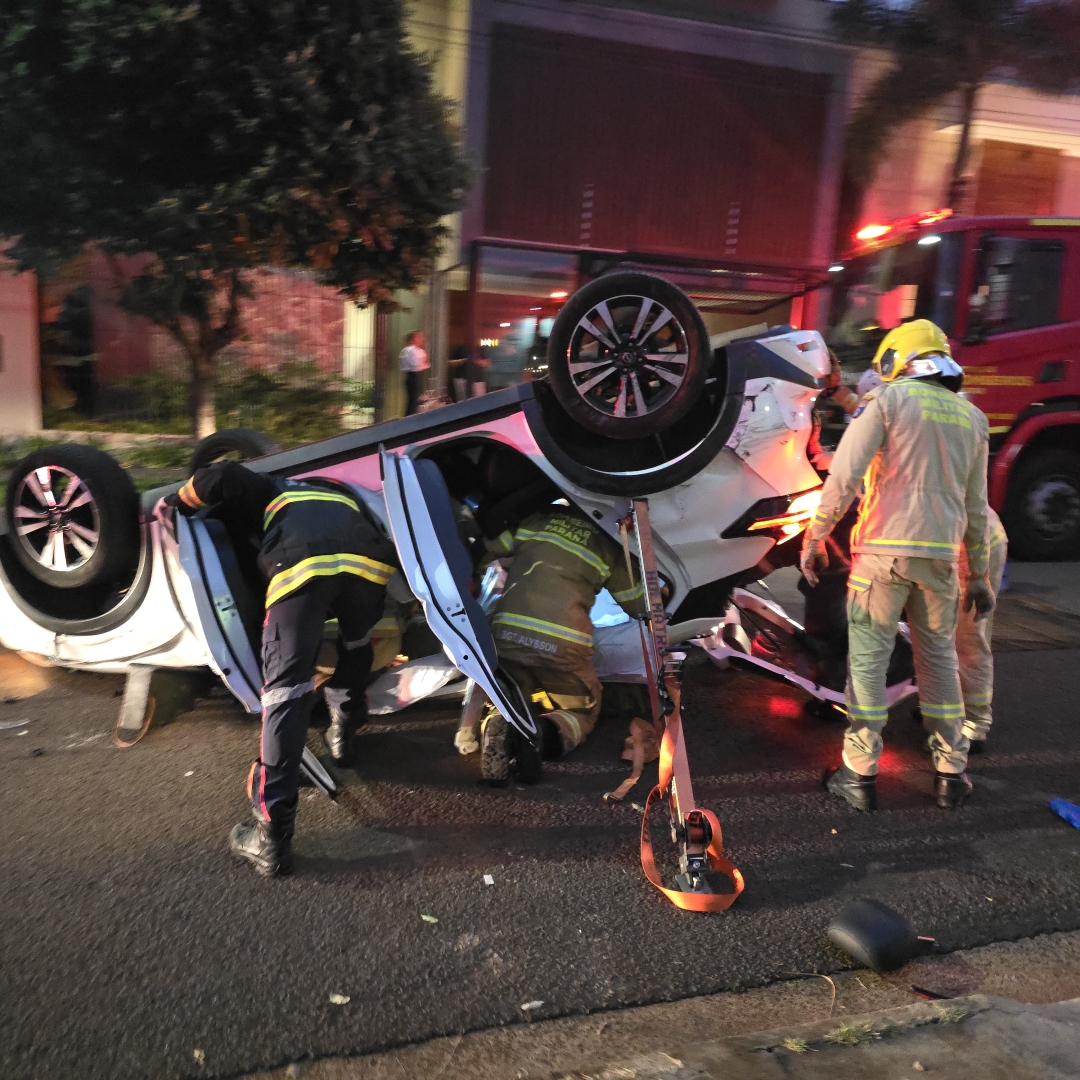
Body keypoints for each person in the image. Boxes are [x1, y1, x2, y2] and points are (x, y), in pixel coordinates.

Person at [164, 462, 398, 877]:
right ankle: (344, 732)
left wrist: (174, 501)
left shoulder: (271, 487)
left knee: (286, 690)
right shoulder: (346, 496)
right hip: (367, 566)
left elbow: (221, 477)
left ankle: (270, 838)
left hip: (302, 563)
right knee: (356, 644)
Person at [800, 319, 994, 811]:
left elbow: (843, 477)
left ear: (897, 360)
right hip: (940, 563)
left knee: (867, 665)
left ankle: (859, 775)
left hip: (882, 559)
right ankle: (951, 772)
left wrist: (816, 536)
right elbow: (976, 507)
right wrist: (981, 576)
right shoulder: (971, 418)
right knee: (939, 663)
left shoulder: (888, 402)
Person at [480, 502, 648, 780]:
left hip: (506, 636)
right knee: (580, 709)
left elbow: (490, 548)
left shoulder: (535, 518)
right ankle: (543, 735)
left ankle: (501, 722)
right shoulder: (610, 542)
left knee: (504, 695)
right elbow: (639, 604)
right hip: (561, 647)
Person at [399, 330, 430, 416]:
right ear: (413, 339)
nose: (422, 339)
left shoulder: (417, 350)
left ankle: (411, 416)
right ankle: (409, 418)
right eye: (419, 337)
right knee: (413, 400)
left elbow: (425, 364)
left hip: (416, 376)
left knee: (415, 399)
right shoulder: (409, 350)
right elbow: (417, 365)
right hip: (412, 375)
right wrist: (424, 361)